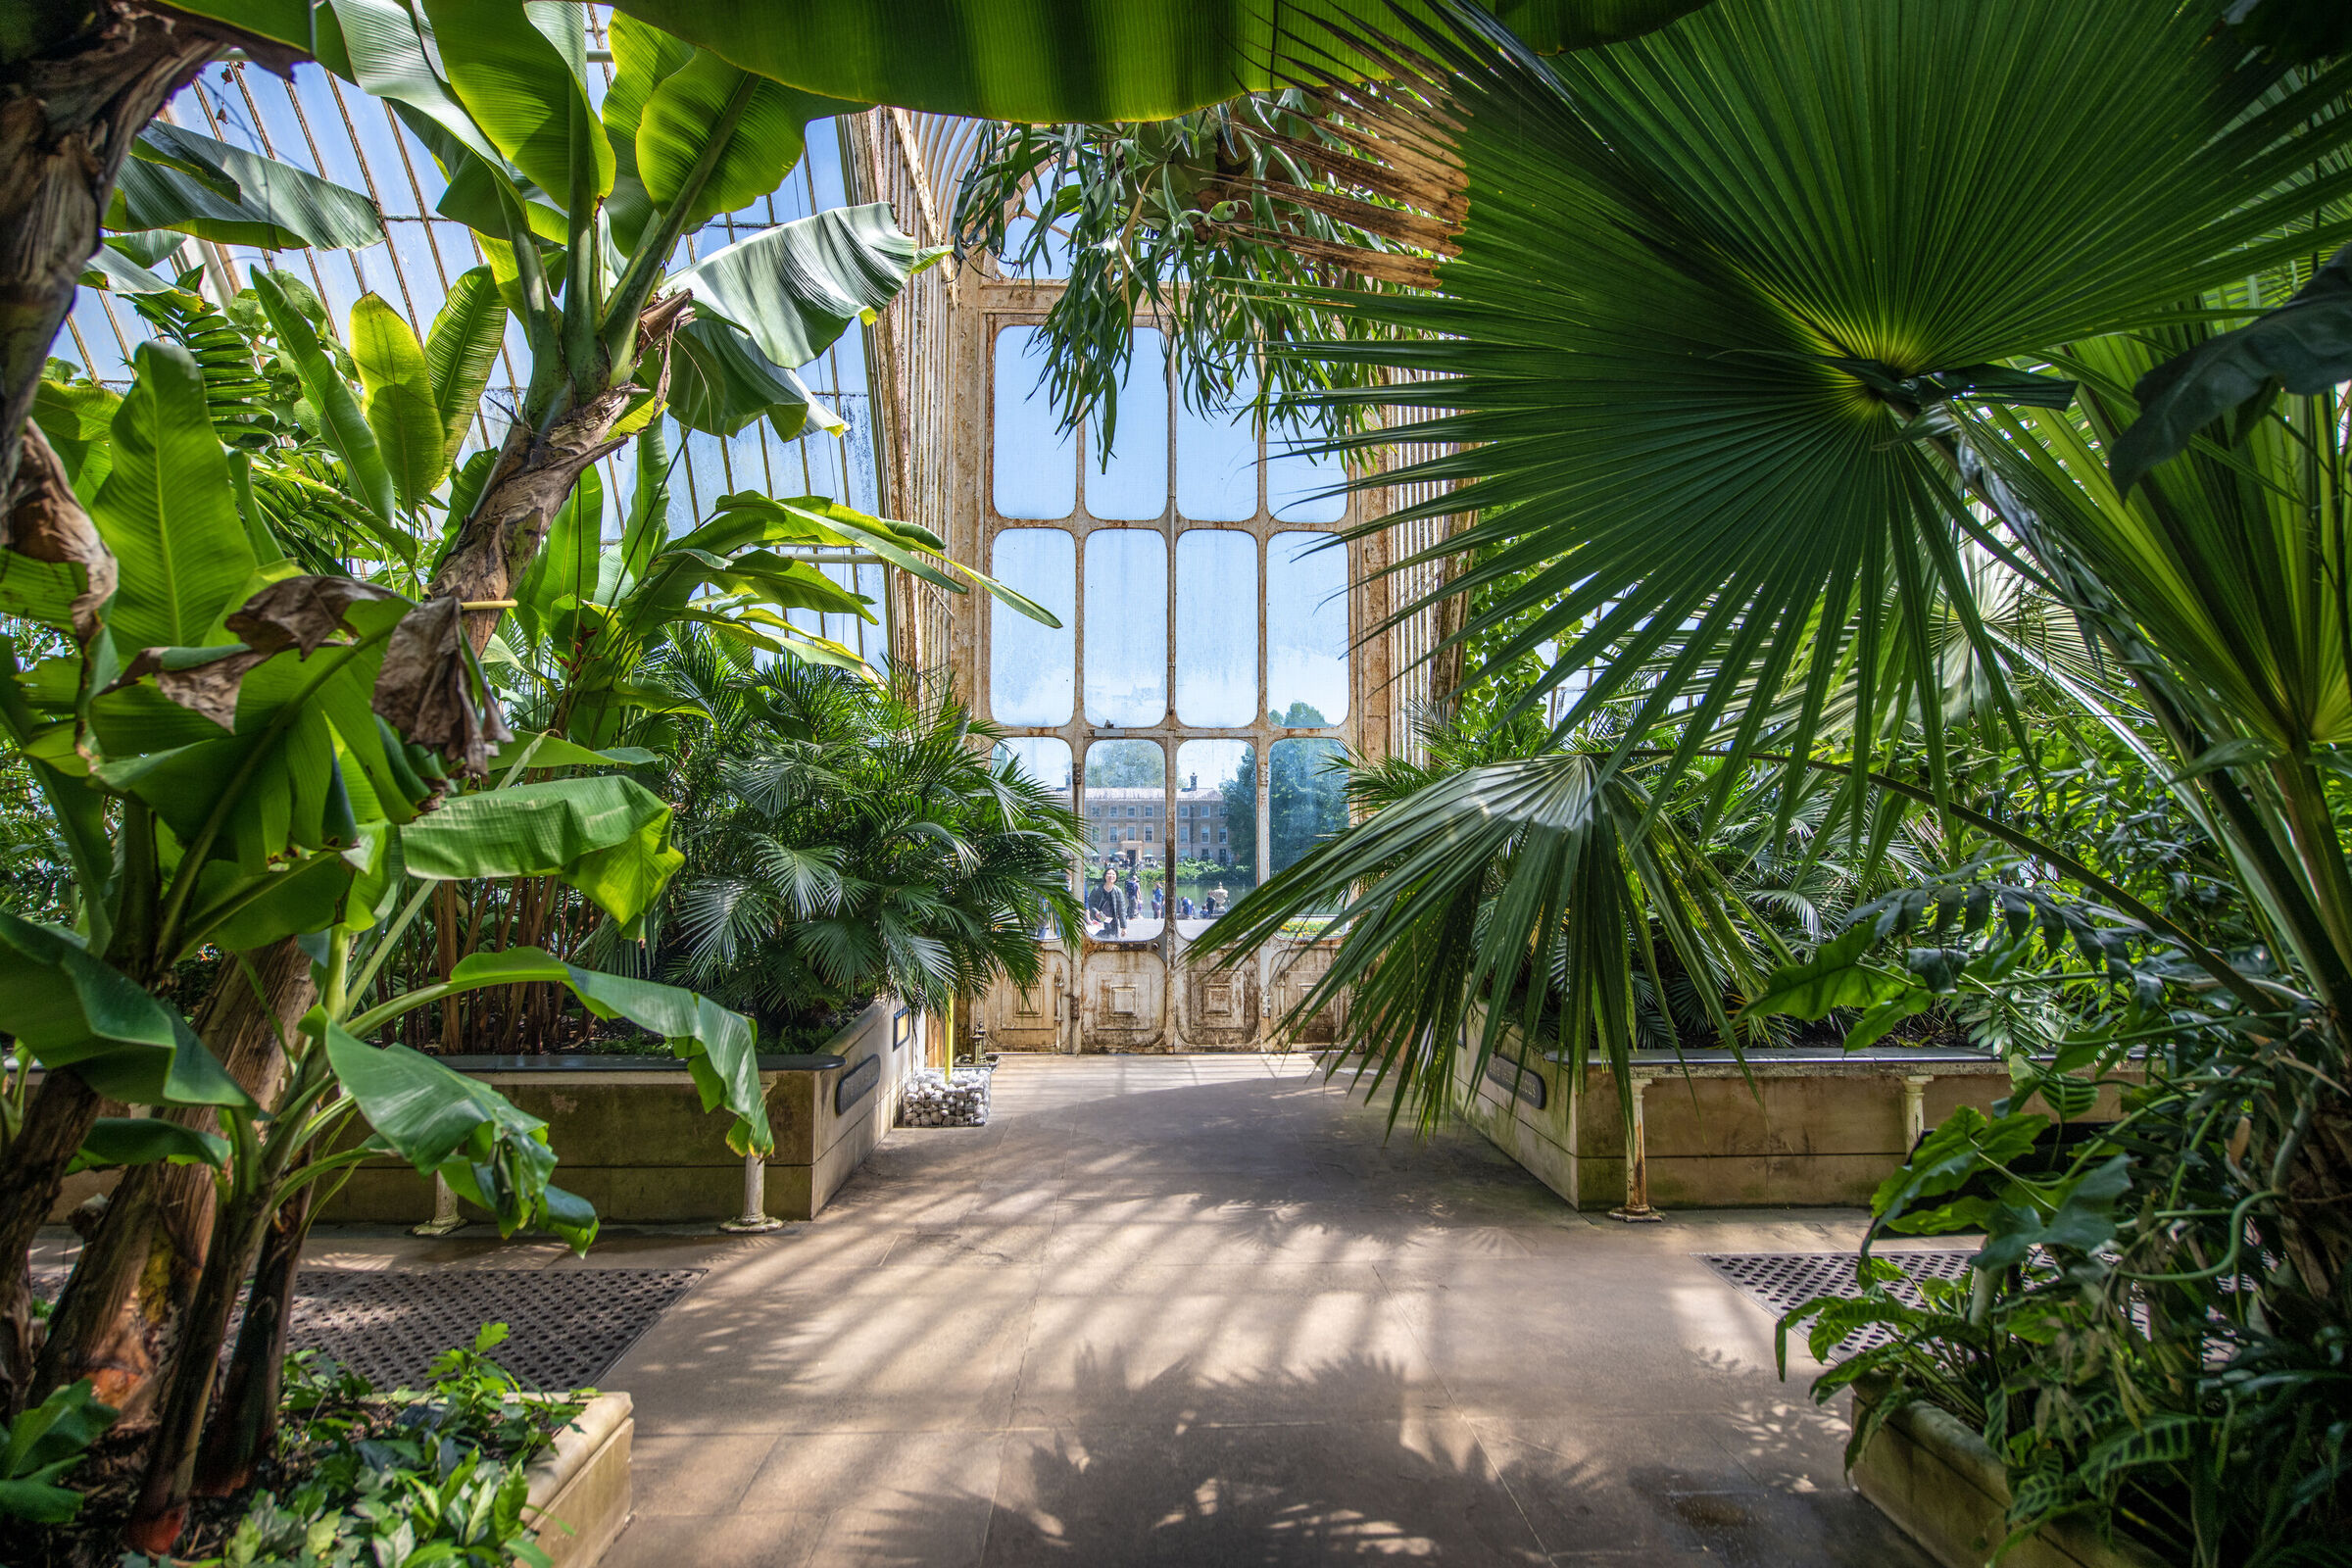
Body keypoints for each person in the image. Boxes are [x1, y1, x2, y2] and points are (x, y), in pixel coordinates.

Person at [1087, 867, 1125, 938]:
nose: (1111, 876)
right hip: (1099, 922)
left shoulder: (1118, 891)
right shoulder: (1097, 889)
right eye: (1109, 874)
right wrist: (1096, 912)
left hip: (1112, 923)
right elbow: (1090, 904)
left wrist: (1124, 927)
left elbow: (1121, 910)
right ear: (1105, 876)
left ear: (1116, 877)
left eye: (1113, 874)